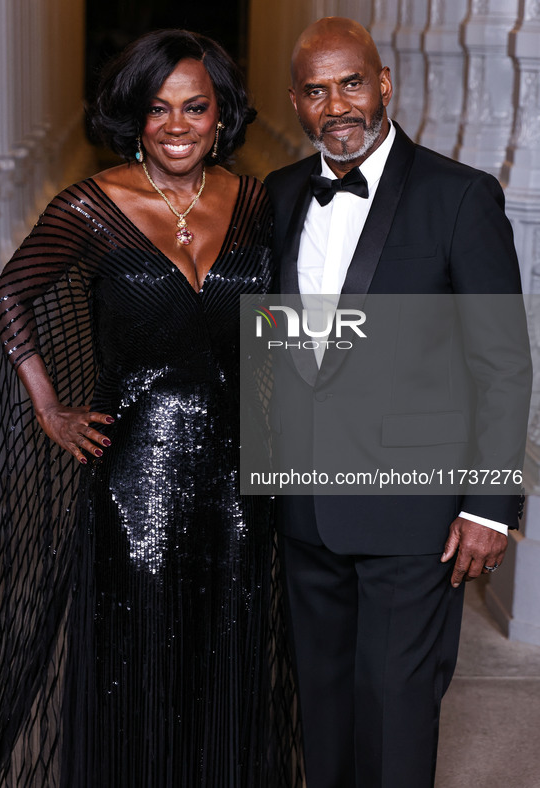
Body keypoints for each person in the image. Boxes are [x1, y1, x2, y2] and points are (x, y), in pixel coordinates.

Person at [0, 29, 302, 788]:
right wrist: (49, 406)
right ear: (134, 117)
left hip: (242, 474)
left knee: (228, 642)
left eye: (195, 106)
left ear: (220, 114)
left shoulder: (253, 203)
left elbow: (281, 318)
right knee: (134, 653)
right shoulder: (92, 202)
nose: (176, 125)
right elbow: (12, 292)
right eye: (157, 108)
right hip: (132, 475)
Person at [263, 17, 531, 788]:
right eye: (316, 90)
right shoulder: (280, 196)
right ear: (296, 101)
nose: (335, 104)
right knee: (321, 704)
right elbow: (274, 346)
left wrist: (487, 505)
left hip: (414, 509)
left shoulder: (459, 196)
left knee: (396, 703)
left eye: (351, 83)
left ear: (384, 84)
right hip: (304, 503)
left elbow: (502, 361)